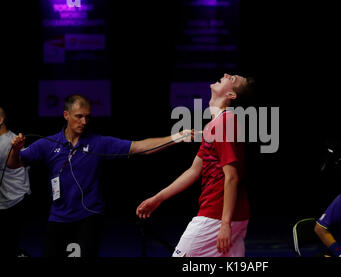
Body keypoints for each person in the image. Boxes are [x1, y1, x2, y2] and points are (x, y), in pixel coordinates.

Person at [7, 95, 193, 257]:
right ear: (66, 115)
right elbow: (14, 163)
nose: (84, 122)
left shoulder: (99, 143)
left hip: (88, 217)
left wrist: (176, 137)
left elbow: (139, 147)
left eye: (87, 117)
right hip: (58, 218)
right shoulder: (48, 144)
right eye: (79, 116)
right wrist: (15, 149)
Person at [136, 73, 255, 257]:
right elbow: (193, 171)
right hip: (230, 215)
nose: (225, 74)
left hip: (216, 215)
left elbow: (232, 177)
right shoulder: (215, 125)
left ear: (231, 95)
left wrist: (224, 224)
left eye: (232, 79)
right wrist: (158, 199)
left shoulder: (225, 123)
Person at [0, 107, 31, 257]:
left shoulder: (6, 141)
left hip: (14, 199)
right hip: (10, 198)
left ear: (0, 120)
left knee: (9, 244)